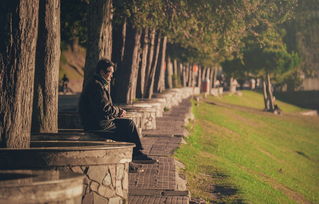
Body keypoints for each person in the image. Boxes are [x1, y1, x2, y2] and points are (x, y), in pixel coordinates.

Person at [79, 58, 156, 164]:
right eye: (110, 72)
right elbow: (105, 108)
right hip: (97, 125)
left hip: (102, 122)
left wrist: (116, 112)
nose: (111, 75)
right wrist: (118, 112)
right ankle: (134, 157)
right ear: (102, 72)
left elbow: (105, 107)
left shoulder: (98, 84)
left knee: (128, 125)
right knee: (127, 128)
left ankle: (133, 157)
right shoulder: (96, 86)